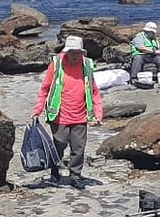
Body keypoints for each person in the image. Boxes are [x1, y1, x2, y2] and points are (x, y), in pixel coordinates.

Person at [35, 37, 106, 188]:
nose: (74, 55)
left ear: (82, 52)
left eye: (77, 53)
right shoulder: (57, 64)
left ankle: (75, 175)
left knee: (79, 147)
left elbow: (93, 90)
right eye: (71, 52)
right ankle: (55, 168)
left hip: (80, 115)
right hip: (60, 115)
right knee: (59, 145)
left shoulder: (86, 64)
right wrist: (38, 109)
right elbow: (45, 88)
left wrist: (98, 113)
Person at [128, 21, 160, 86]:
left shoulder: (154, 39)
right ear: (147, 31)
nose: (154, 34)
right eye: (152, 32)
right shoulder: (139, 37)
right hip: (141, 55)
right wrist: (154, 51)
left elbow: (157, 48)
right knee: (138, 58)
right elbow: (141, 48)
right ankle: (133, 78)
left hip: (151, 56)